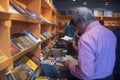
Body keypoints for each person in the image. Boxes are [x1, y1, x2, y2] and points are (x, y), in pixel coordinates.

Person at [63, 7, 117, 80]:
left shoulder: (86, 38)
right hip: (110, 77)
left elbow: (85, 75)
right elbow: (101, 56)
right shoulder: (110, 33)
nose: (76, 28)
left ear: (81, 21)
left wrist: (69, 65)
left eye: (76, 24)